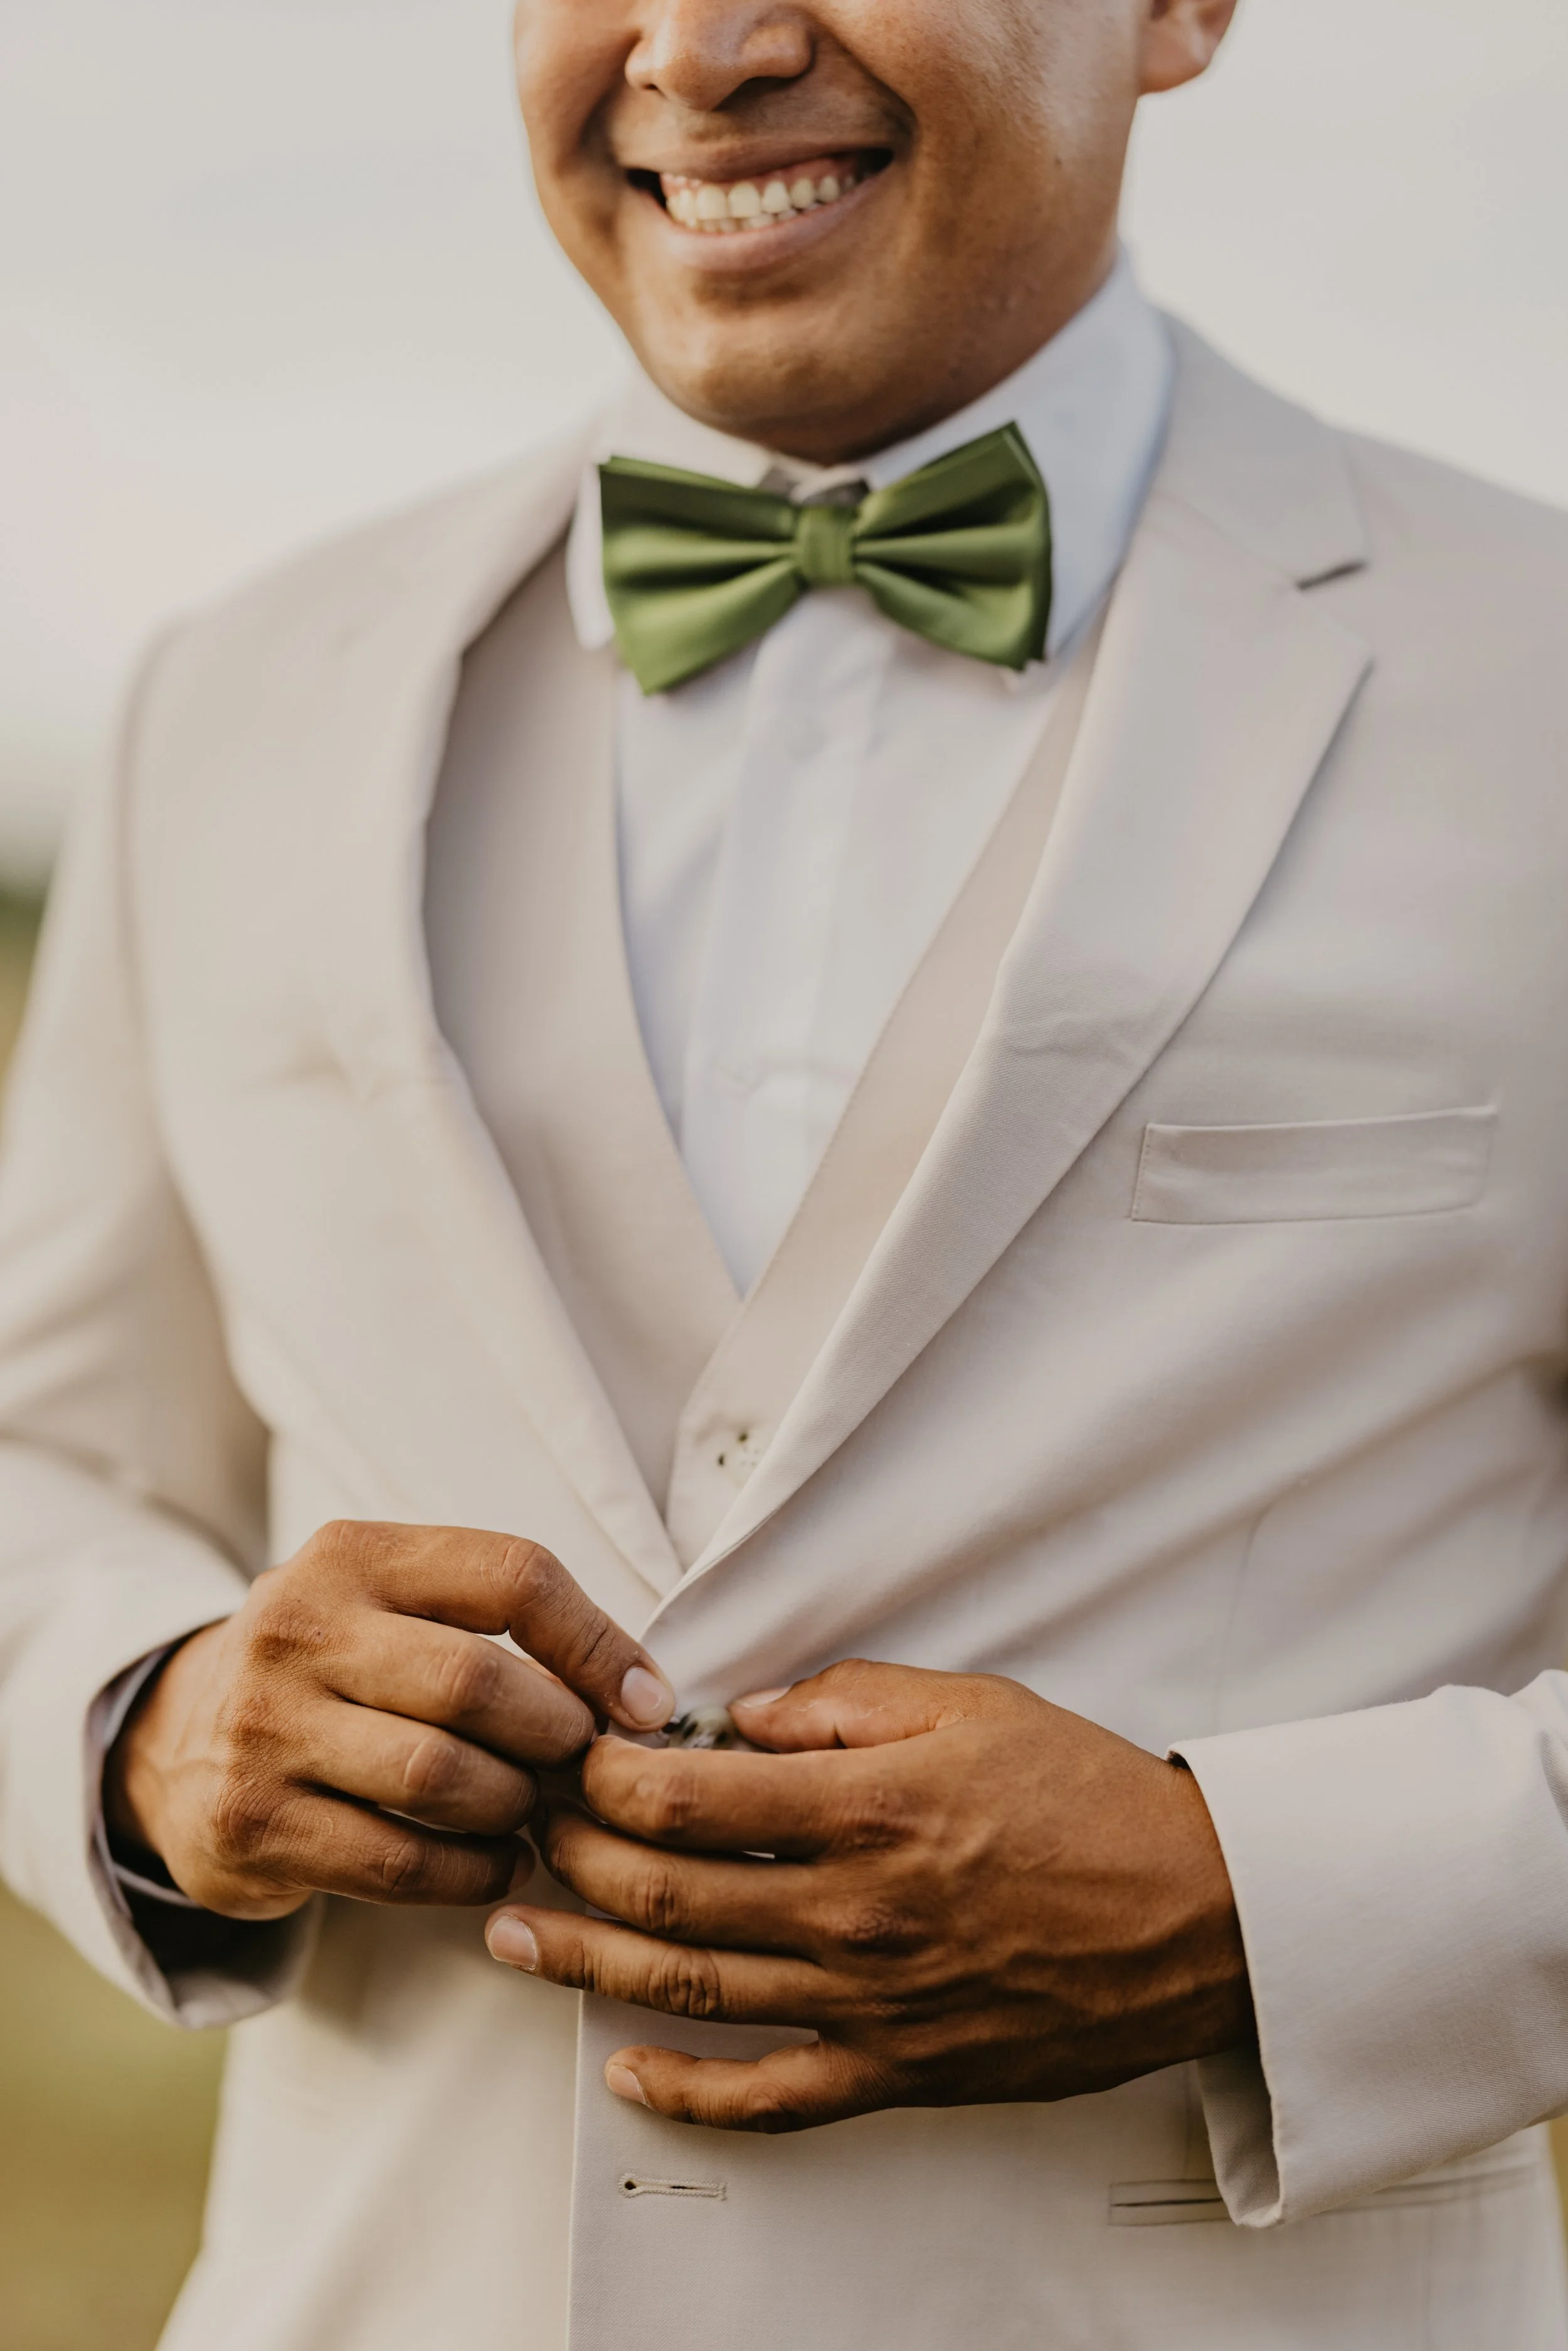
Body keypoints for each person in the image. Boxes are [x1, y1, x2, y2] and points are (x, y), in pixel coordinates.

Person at [2, 0, 1567, 2342]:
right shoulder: (237, 696)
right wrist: (152, 1716)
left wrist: (1261, 1890)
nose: (705, 47)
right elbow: (41, 1457)